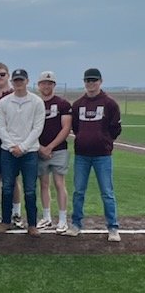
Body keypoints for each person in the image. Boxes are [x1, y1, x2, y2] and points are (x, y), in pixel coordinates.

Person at [65, 68, 121, 242]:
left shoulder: (110, 104)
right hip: (82, 155)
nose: (91, 83)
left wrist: (104, 141)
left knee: (107, 192)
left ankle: (113, 227)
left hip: (103, 156)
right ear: (84, 82)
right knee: (78, 191)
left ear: (100, 81)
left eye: (94, 80)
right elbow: (76, 127)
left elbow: (115, 128)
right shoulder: (77, 105)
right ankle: (76, 224)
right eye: (88, 80)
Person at [0, 69, 45, 237]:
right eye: (16, 80)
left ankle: (32, 225)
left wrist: (23, 147)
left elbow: (37, 128)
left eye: (21, 80)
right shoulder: (4, 102)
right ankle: (5, 221)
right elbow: (0, 126)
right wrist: (11, 146)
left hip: (29, 152)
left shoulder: (36, 102)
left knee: (30, 190)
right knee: (7, 187)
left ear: (27, 81)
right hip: (8, 152)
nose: (18, 83)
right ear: (12, 82)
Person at [35, 71, 72, 233]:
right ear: (39, 85)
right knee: (43, 184)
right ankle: (46, 217)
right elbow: (29, 127)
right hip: (39, 149)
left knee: (59, 183)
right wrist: (40, 147)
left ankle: (62, 219)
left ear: (54, 85)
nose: (46, 86)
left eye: (49, 83)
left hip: (58, 150)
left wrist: (50, 147)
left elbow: (66, 128)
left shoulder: (62, 104)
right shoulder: (35, 103)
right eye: (43, 83)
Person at [0, 62, 23, 227]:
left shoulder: (16, 95)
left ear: (8, 76)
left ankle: (16, 213)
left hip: (14, 143)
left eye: (2, 74)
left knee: (13, 180)